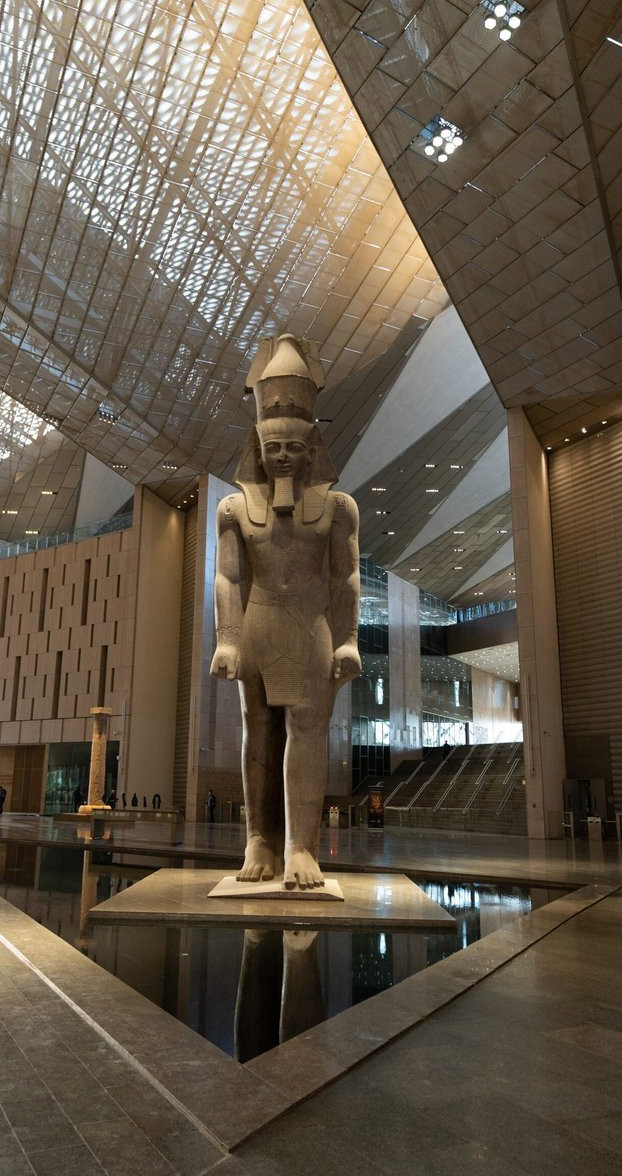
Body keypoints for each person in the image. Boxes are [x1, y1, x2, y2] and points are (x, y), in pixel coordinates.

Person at [211, 333, 360, 890]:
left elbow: (345, 577)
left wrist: (348, 639)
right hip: (259, 623)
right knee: (259, 728)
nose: (282, 457)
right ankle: (259, 839)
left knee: (307, 728)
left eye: (294, 447)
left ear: (312, 449)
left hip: (312, 626)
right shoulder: (233, 508)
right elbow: (229, 577)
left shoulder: (338, 507)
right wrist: (227, 638)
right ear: (257, 448)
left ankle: (301, 847)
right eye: (272, 447)